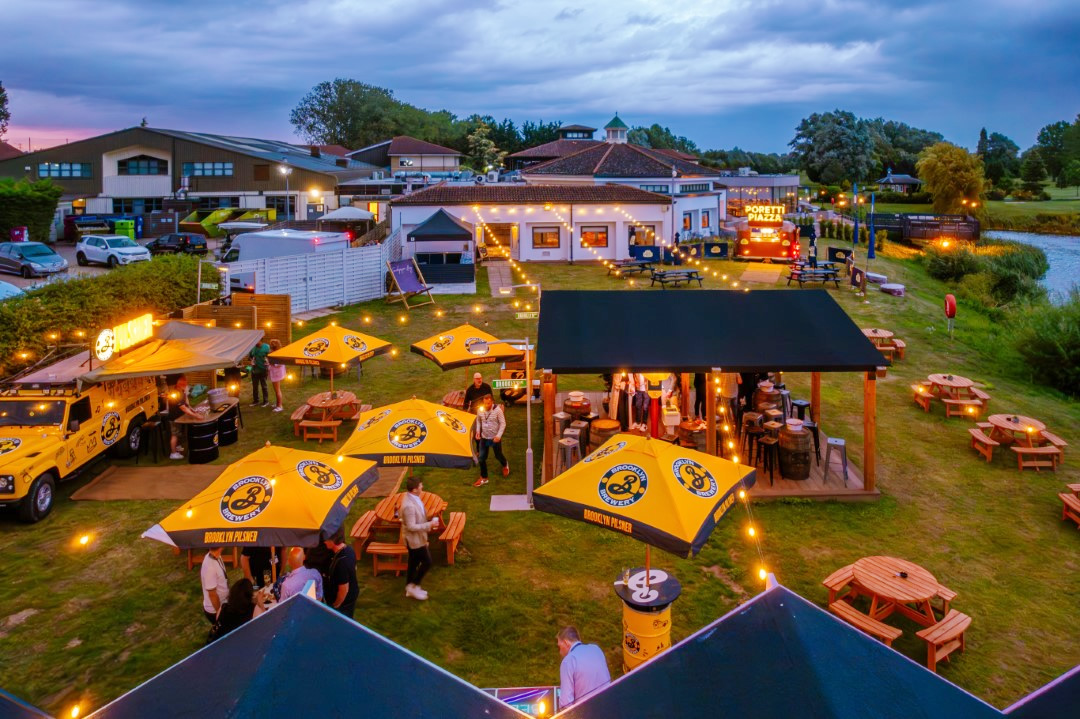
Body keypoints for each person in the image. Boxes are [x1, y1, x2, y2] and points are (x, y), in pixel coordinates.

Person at [400, 475, 439, 601]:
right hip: (414, 540)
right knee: (427, 562)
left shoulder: (414, 497)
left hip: (417, 538)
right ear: (415, 489)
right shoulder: (408, 506)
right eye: (420, 485)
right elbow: (411, 527)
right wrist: (430, 524)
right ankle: (413, 586)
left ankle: (409, 588)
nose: (422, 487)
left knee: (413, 562)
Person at [557, 626, 611, 709]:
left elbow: (566, 703)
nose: (560, 652)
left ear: (566, 642)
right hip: (609, 708)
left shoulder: (568, 661)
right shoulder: (596, 649)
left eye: (559, 647)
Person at [474, 394, 508, 487]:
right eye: (485, 403)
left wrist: (499, 436)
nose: (486, 405)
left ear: (492, 402)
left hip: (494, 438)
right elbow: (478, 420)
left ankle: (505, 465)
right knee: (481, 458)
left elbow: (503, 423)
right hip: (484, 437)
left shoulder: (498, 411)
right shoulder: (480, 410)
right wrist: (477, 431)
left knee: (498, 455)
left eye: (488, 403)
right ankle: (484, 477)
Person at [323, 529, 359, 618]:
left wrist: (336, 605)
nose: (324, 542)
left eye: (326, 540)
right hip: (352, 594)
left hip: (344, 603)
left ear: (333, 541)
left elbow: (344, 589)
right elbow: (355, 568)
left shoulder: (341, 562)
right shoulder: (349, 549)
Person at [207, 578, 255, 643]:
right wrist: (260, 604)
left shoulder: (223, 607)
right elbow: (265, 624)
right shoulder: (252, 609)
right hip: (236, 645)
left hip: (220, 643)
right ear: (249, 595)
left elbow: (217, 623)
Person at [167, 375, 201, 461]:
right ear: (180, 384)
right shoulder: (177, 393)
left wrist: (193, 410)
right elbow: (183, 407)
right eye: (184, 383)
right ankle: (173, 453)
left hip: (179, 417)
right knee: (175, 434)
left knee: (179, 433)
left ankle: (177, 447)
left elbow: (187, 404)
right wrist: (195, 416)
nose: (186, 384)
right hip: (174, 418)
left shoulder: (182, 391)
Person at [200, 546, 229, 624]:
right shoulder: (210, 567)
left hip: (223, 603)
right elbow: (212, 594)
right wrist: (219, 613)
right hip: (215, 610)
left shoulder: (217, 556)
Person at [249, 339, 271, 408]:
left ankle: (266, 401)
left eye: (256, 340)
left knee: (264, 386)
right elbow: (250, 357)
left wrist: (267, 361)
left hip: (263, 370)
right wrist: (251, 361)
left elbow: (270, 356)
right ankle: (256, 401)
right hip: (254, 370)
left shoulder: (266, 347)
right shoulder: (252, 347)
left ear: (260, 340)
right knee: (255, 387)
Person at [267, 339, 287, 412]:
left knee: (277, 390)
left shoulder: (279, 353)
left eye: (271, 345)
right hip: (274, 373)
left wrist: (272, 363)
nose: (270, 346)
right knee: (276, 390)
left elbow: (280, 363)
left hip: (277, 374)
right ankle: (277, 403)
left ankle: (280, 406)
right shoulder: (273, 353)